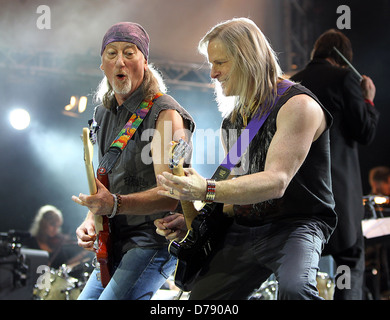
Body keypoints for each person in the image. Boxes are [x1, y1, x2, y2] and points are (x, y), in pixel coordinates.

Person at [155, 17, 337, 300]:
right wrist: (194, 219)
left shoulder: (298, 105)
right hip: (245, 226)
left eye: (220, 63)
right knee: (201, 300)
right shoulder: (234, 120)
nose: (212, 74)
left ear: (247, 60)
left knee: (295, 289)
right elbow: (235, 192)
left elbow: (276, 182)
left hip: (296, 224)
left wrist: (206, 188)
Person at [72, 22, 195, 300]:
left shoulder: (165, 114)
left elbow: (171, 194)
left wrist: (114, 204)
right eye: (111, 53)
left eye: (130, 53)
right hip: (115, 241)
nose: (120, 62)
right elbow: (106, 182)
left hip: (152, 242)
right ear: (102, 64)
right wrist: (92, 217)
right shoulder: (102, 114)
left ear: (145, 62)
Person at [291, 29, 380, 300]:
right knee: (349, 260)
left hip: (300, 193)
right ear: (343, 58)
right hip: (338, 193)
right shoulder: (345, 78)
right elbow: (364, 131)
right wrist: (368, 99)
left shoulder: (292, 83)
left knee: (299, 265)